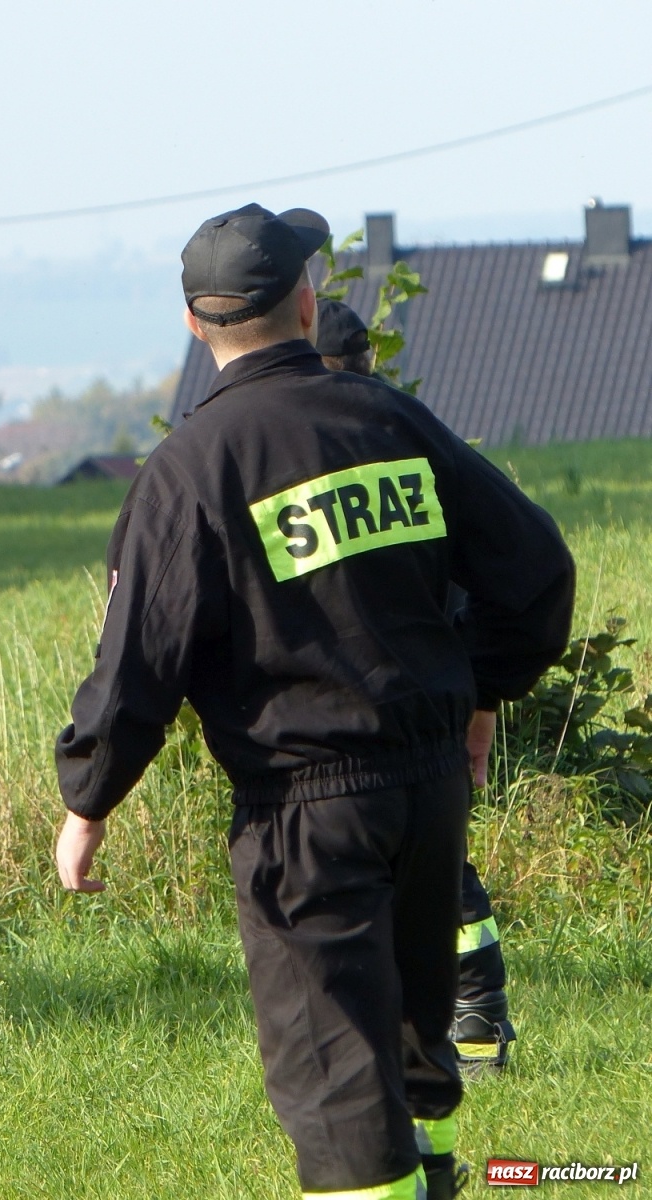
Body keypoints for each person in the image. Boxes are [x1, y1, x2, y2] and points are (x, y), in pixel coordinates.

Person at [53, 204, 574, 1200]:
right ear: (304, 302)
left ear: (194, 325)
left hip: (303, 813)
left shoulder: (190, 468)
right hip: (427, 794)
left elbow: (138, 661)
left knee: (338, 1090)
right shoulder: (391, 420)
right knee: (413, 1055)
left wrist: (89, 799)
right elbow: (538, 572)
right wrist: (481, 694)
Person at [316, 298, 519, 1075]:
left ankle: (439, 1028)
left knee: (394, 882)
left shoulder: (313, 448)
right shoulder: (415, 436)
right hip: (432, 699)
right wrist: (481, 696)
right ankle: (470, 1021)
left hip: (356, 720)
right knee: (438, 873)